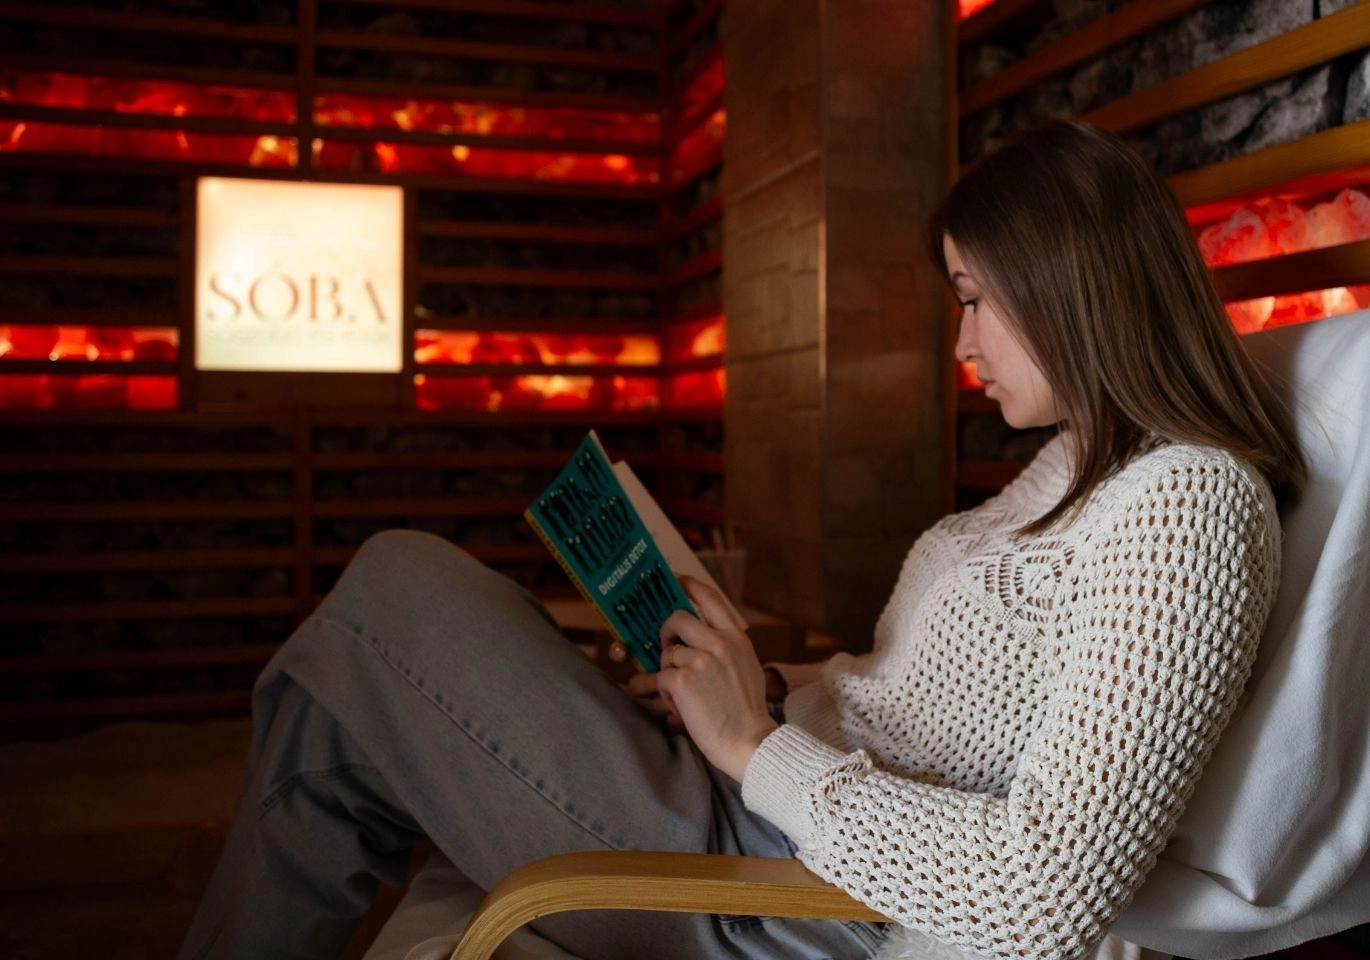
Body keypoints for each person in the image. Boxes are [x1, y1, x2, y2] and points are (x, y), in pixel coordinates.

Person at [177, 120, 1305, 960]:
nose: (961, 340)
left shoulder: (1188, 507)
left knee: (394, 585)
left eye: (974, 298)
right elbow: (912, 703)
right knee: (333, 724)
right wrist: (751, 692)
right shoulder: (1071, 465)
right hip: (750, 799)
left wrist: (752, 748)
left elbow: (1039, 891)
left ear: (1067, 287)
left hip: (787, 891)